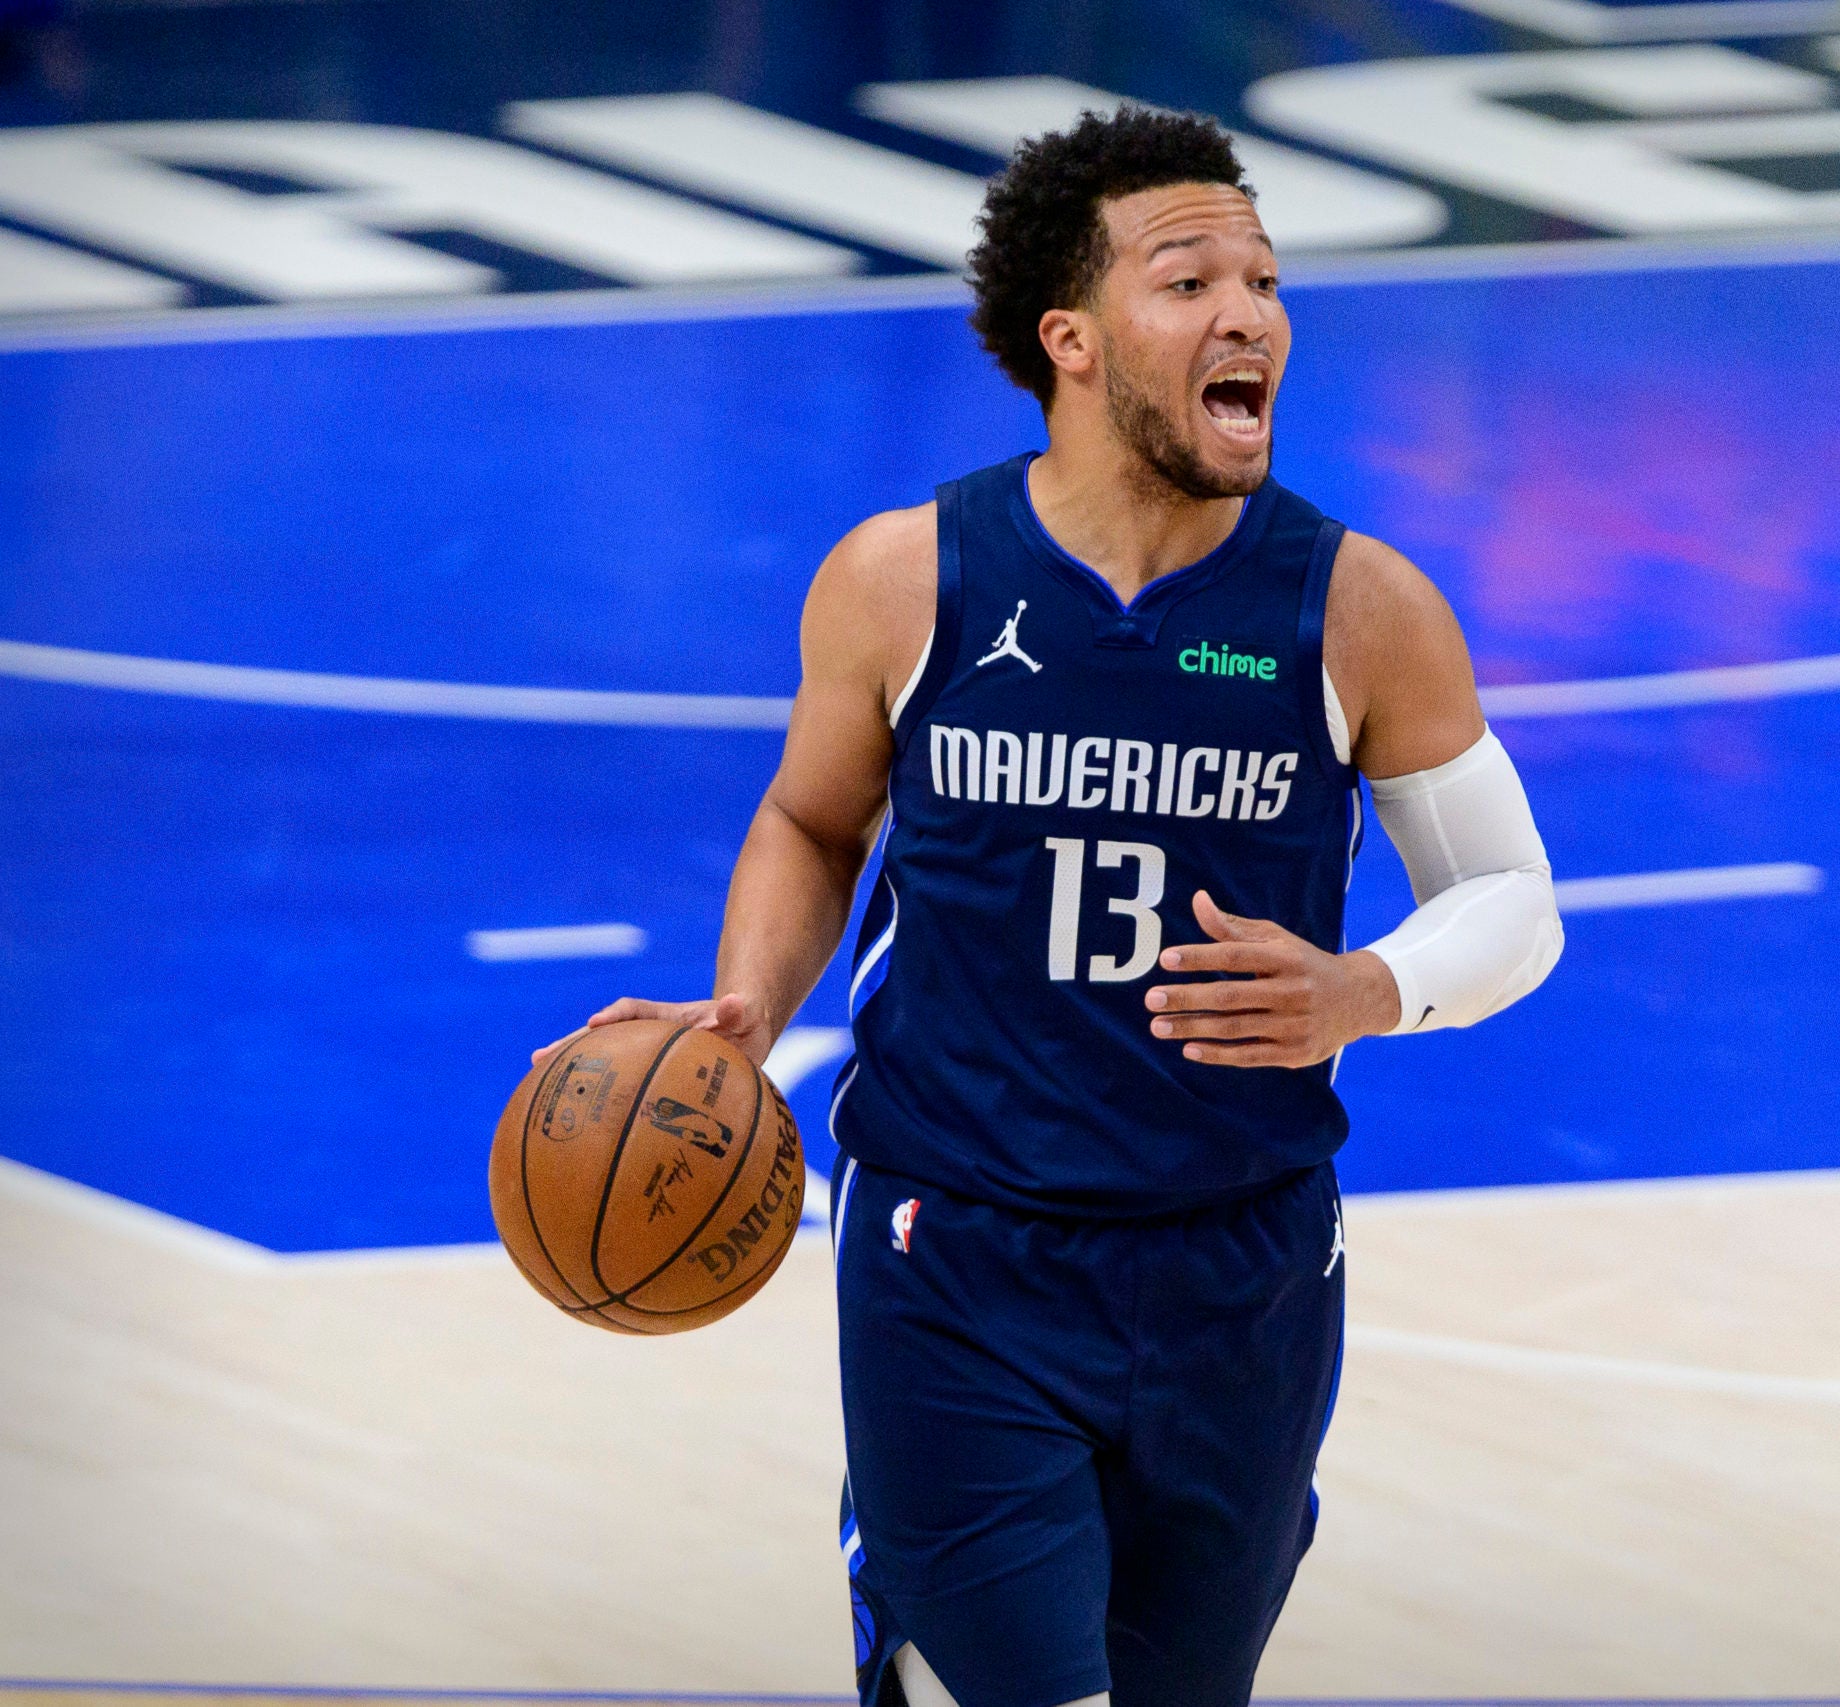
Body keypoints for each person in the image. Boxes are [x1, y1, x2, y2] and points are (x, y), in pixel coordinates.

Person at [545, 107, 1563, 1707]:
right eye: (1190, 282)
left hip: (1243, 1265)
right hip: (953, 1247)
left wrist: (1370, 988)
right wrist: (750, 1001)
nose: (1249, 315)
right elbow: (812, 821)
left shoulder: (1362, 609)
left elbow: (1508, 897)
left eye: (1264, 281)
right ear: (1070, 339)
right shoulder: (906, 579)